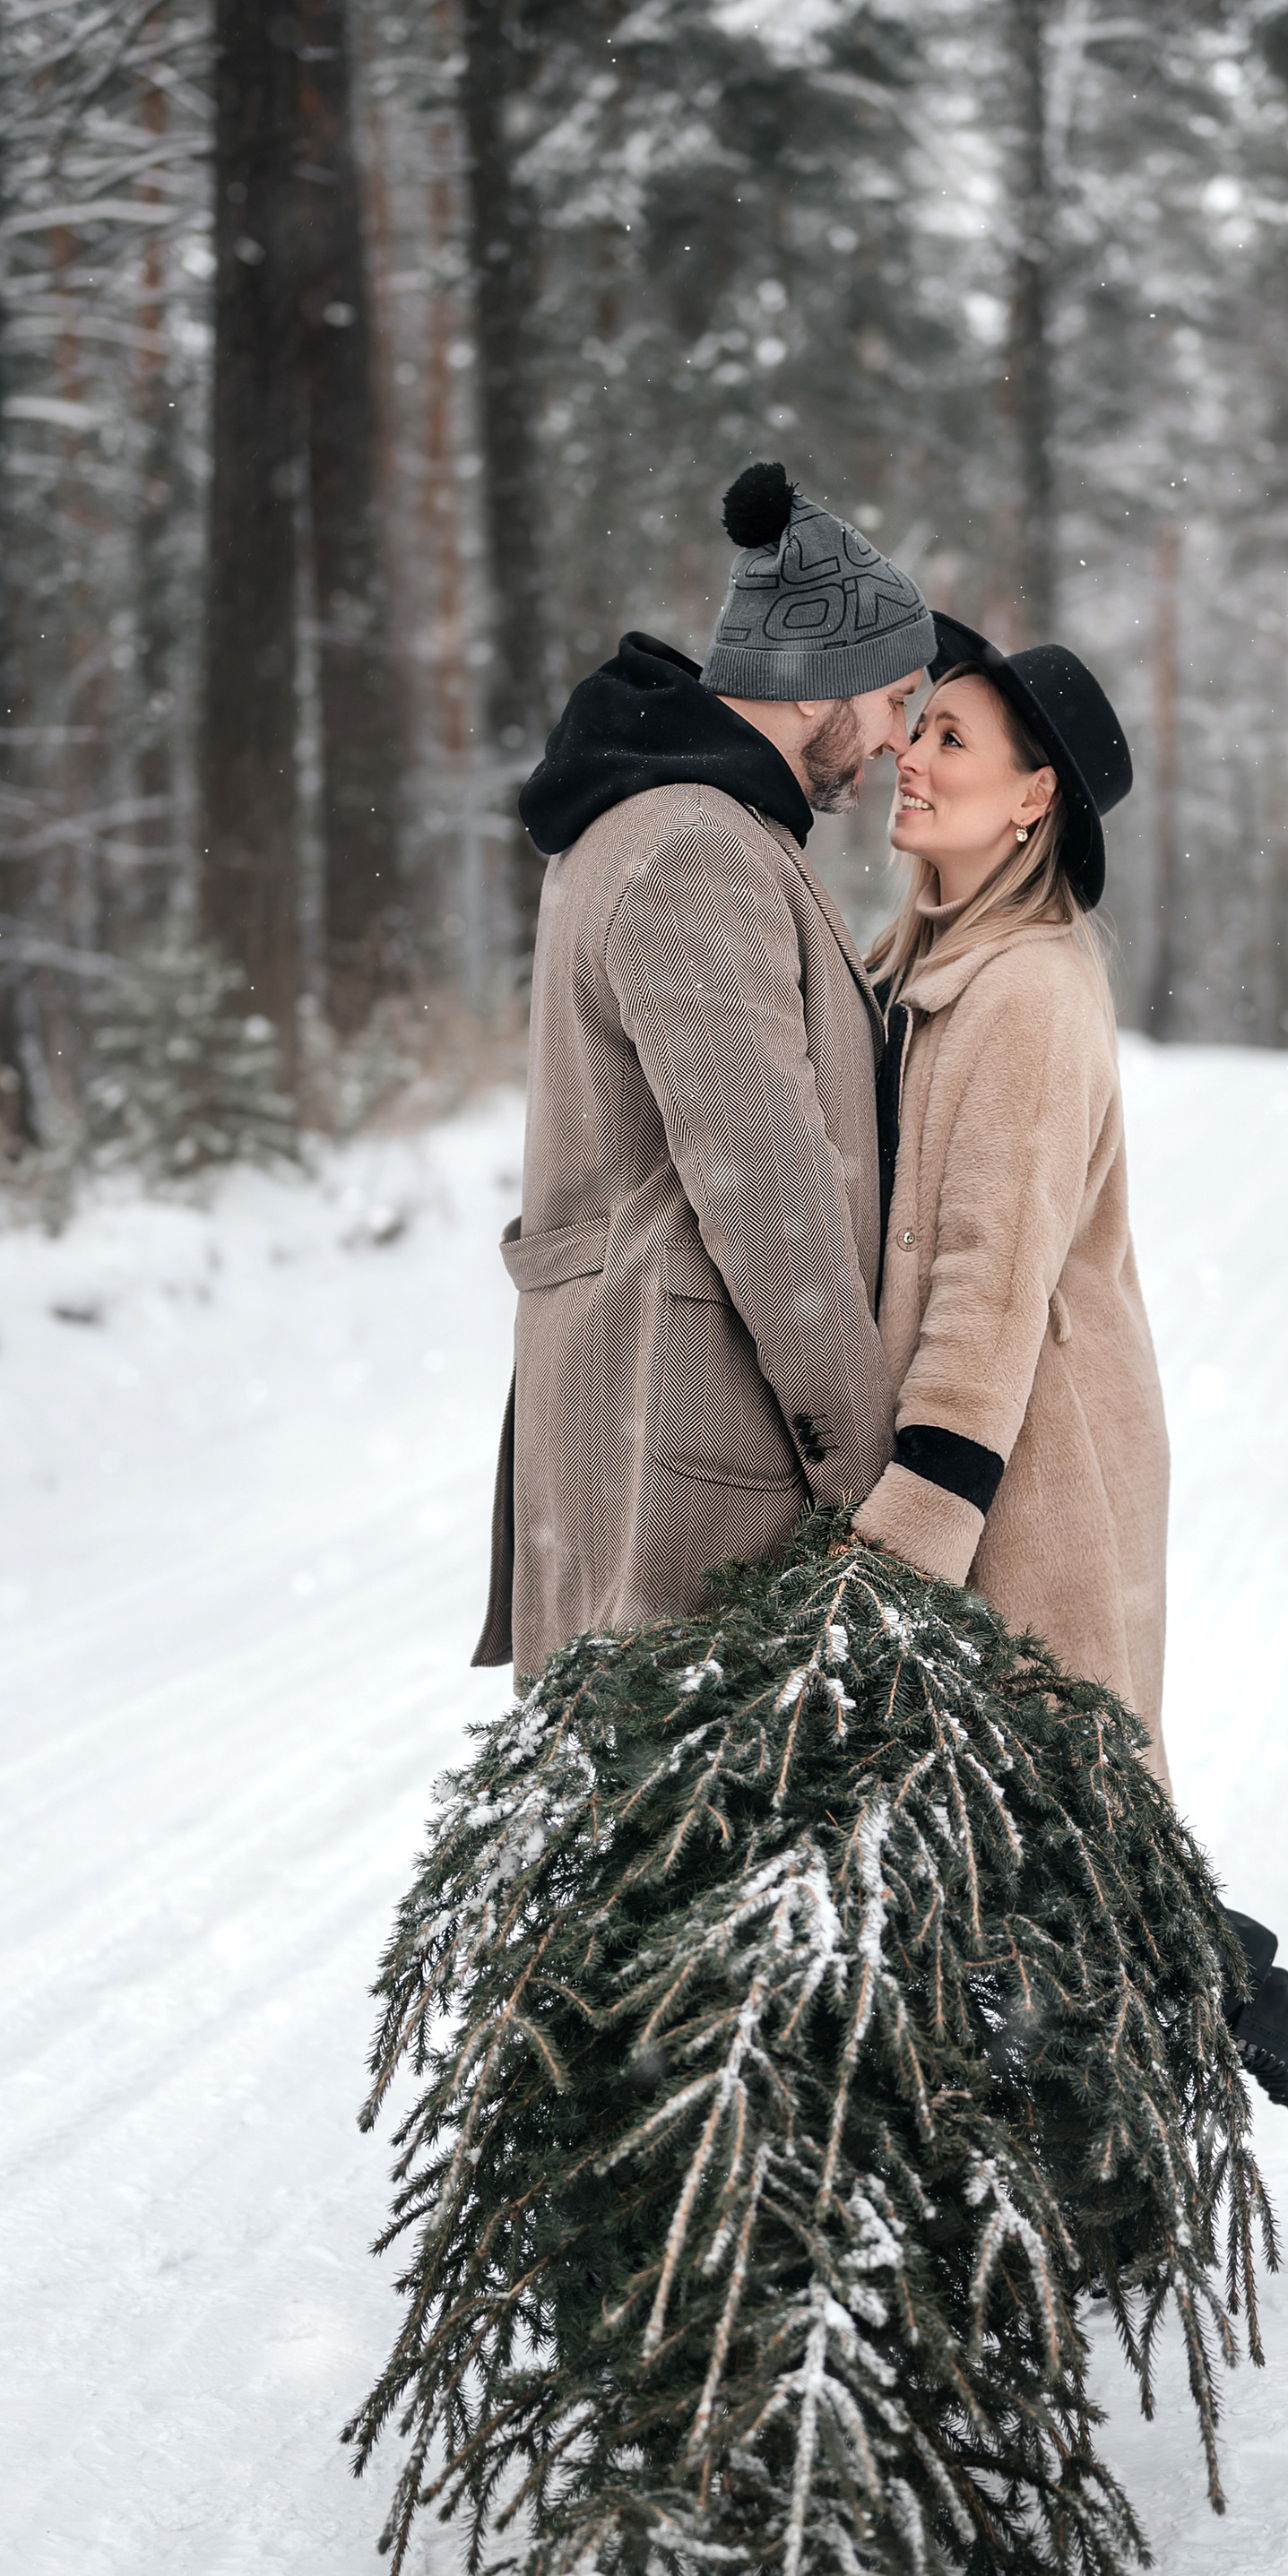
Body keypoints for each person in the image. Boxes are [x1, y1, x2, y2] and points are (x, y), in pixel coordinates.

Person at [849, 614, 1288, 2207]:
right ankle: (1225, 2070)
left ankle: (1264, 2050)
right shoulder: (916, 960)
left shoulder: (1025, 994)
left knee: (1062, 1826)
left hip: (1031, 1460)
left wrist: (914, 1521)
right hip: (977, 1446)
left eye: (955, 738)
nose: (913, 753)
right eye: (918, 724)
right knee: (1038, 1821)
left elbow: (992, 1278)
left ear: (1034, 805)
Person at [472, 462, 929, 1679]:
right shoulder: (694, 848)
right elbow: (770, 1193)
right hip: (688, 1456)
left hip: (649, 1427)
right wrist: (869, 1484)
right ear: (814, 679)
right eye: (891, 696)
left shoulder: (677, 821)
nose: (894, 739)